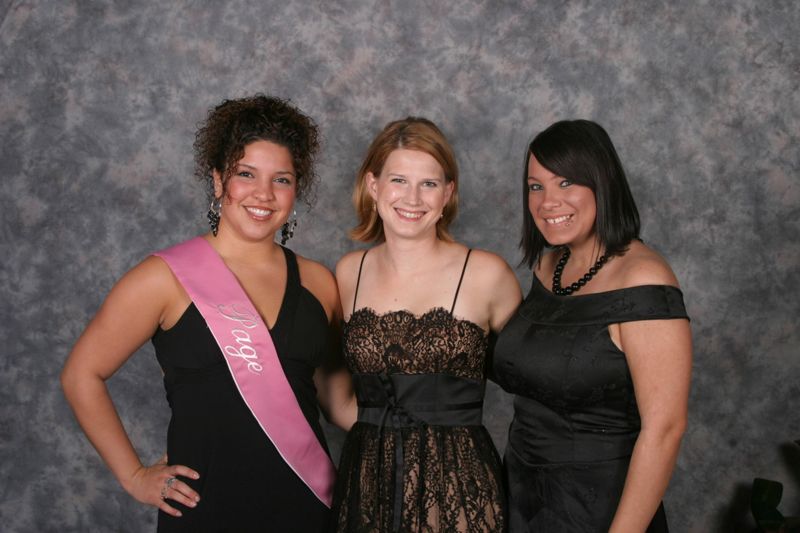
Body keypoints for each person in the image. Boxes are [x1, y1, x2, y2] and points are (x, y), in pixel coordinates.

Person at [61, 94, 354, 532]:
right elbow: (80, 374)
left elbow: (337, 403)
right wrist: (135, 476)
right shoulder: (164, 277)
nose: (263, 194)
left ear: (297, 191)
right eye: (246, 174)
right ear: (218, 181)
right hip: (206, 510)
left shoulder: (319, 282)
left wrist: (427, 418)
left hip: (307, 507)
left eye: (282, 180)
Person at [493, 119, 692, 532]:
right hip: (521, 496)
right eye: (536, 186)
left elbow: (665, 429)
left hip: (599, 509)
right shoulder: (549, 265)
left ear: (602, 183)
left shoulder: (644, 280)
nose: (548, 201)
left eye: (566, 183)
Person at [329, 117, 522, 532]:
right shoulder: (348, 274)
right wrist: (381, 432)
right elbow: (330, 387)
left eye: (429, 184)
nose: (412, 198)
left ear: (448, 193)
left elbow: (538, 380)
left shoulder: (487, 274)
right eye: (398, 180)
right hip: (367, 485)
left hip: (459, 490)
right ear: (373, 185)